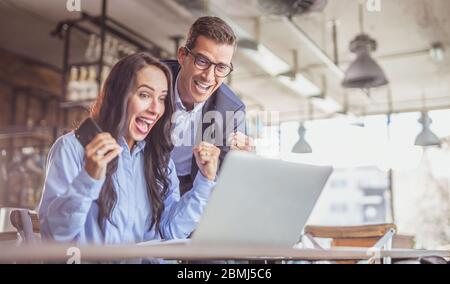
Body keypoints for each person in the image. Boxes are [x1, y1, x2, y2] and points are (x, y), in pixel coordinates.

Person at [38, 52, 220, 245]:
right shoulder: (70, 149)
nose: (155, 109)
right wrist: (88, 178)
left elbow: (170, 230)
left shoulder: (160, 159)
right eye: (144, 95)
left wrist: (205, 181)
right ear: (118, 95)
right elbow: (54, 236)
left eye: (161, 98)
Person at [164, 16, 254, 195]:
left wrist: (242, 163)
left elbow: (227, 179)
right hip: (141, 177)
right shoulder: (152, 79)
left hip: (188, 188)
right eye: (202, 61)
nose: (209, 76)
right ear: (182, 56)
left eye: (221, 67)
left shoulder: (231, 110)